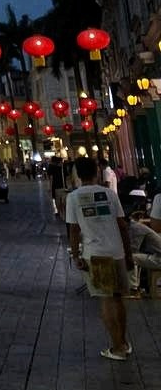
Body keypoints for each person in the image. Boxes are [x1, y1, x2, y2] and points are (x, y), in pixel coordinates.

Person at [65, 155, 134, 361]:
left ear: (77, 174)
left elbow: (74, 230)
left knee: (106, 300)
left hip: (95, 255)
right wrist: (128, 254)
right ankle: (123, 342)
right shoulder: (110, 194)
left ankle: (117, 348)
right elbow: (122, 225)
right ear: (96, 172)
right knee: (118, 298)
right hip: (117, 252)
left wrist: (76, 255)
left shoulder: (74, 197)